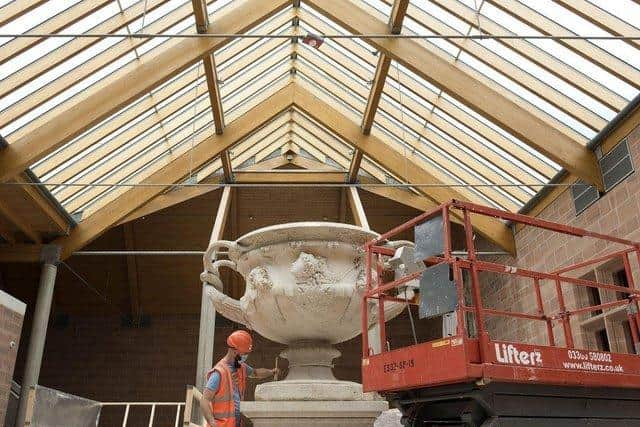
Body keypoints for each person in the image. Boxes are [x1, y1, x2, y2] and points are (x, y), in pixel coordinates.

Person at [200, 330, 278, 427]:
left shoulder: (240, 367)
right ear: (234, 351)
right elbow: (205, 399)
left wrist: (271, 372)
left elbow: (255, 373)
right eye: (244, 354)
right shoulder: (219, 373)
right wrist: (212, 422)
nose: (246, 356)